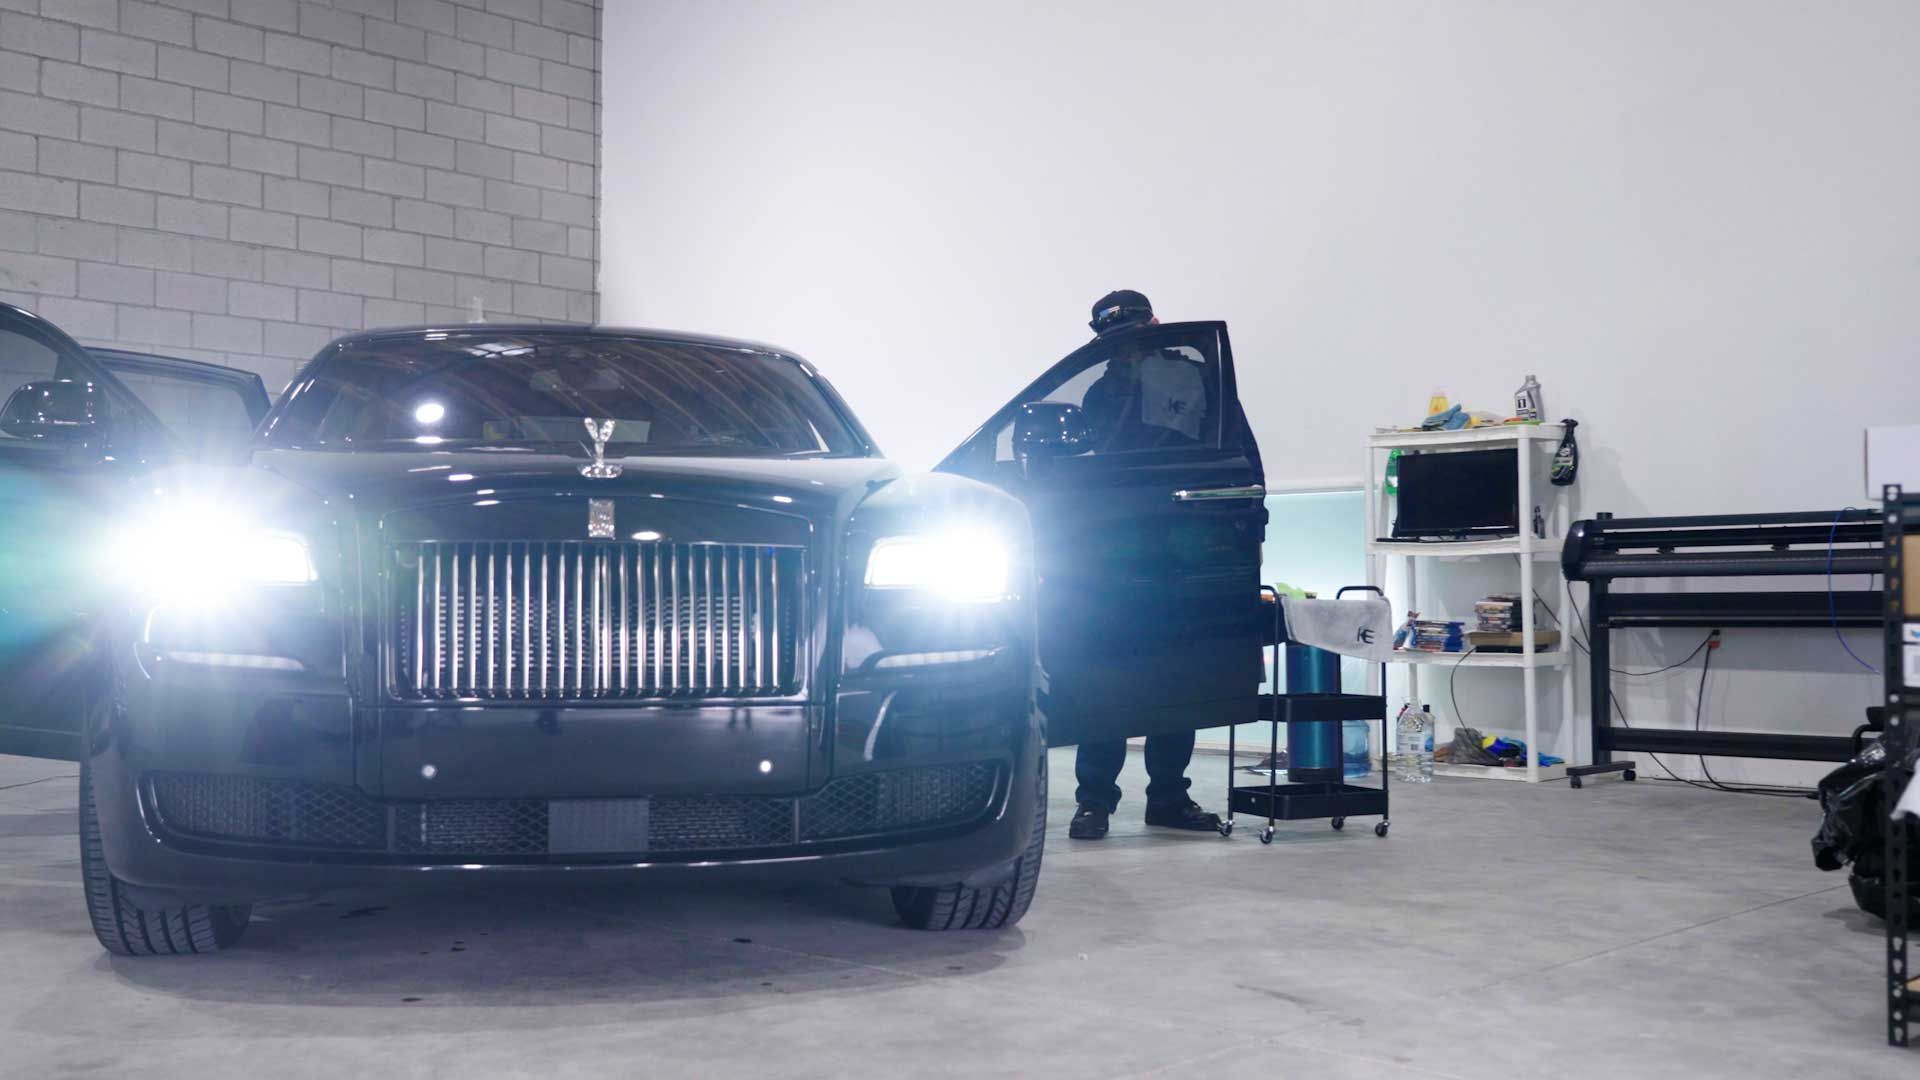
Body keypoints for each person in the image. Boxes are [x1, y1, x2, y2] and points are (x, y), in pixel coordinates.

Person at [1067, 290, 1223, 840]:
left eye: (1134, 334)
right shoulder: (1099, 391)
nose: (1128, 348)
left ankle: (1169, 798)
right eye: (1115, 341)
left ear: (1155, 324)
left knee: (1173, 673)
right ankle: (1093, 801)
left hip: (1181, 543)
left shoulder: (1198, 376)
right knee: (1106, 676)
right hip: (1114, 548)